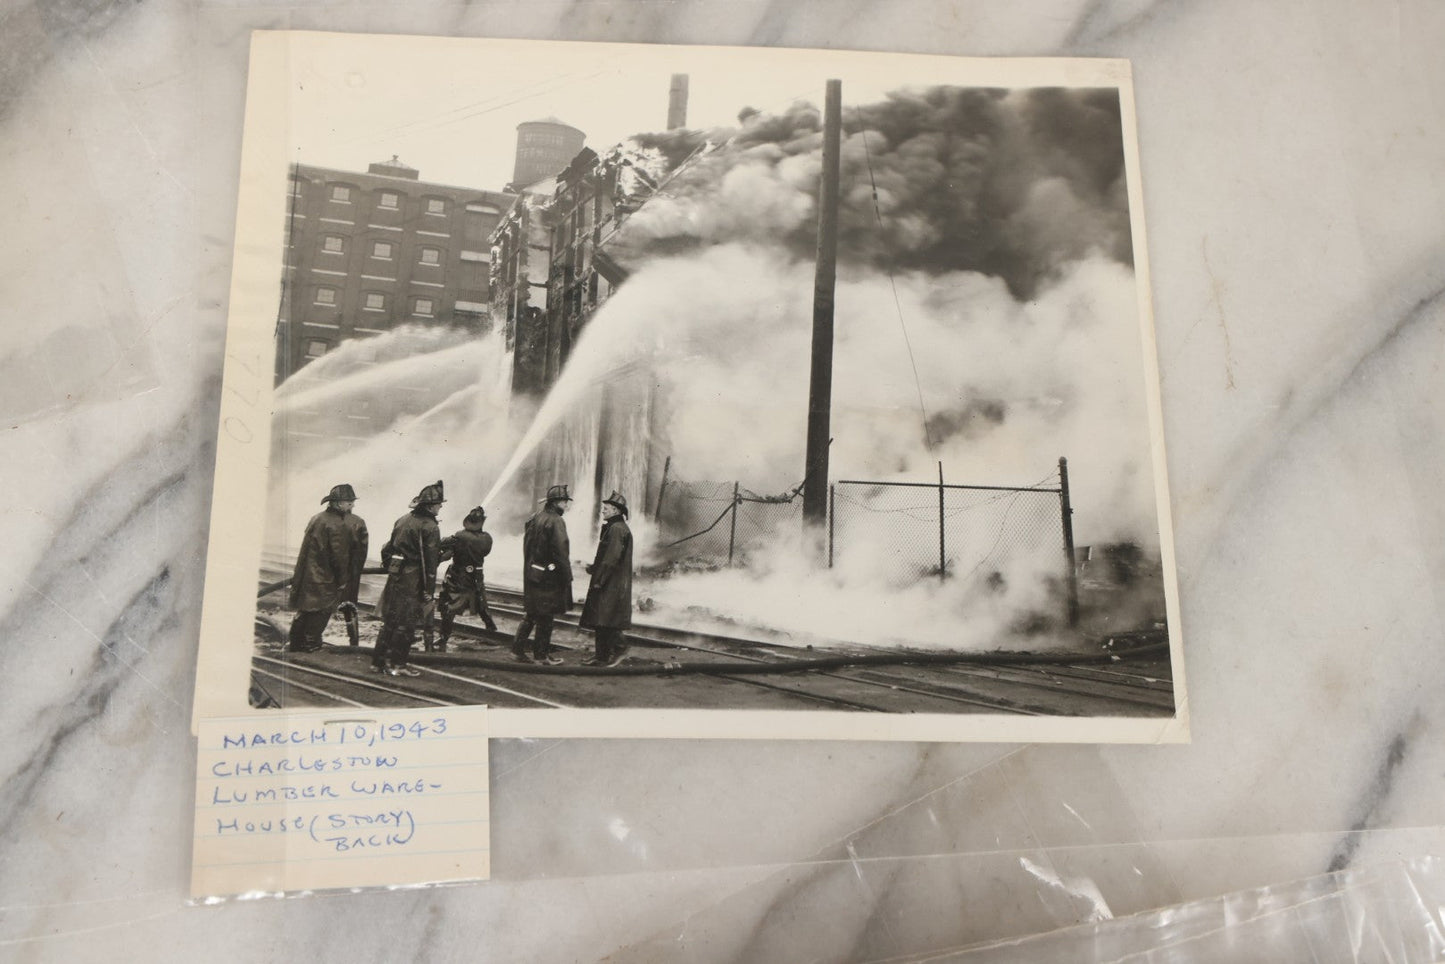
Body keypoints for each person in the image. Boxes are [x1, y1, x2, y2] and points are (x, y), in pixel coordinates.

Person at [372, 480, 444, 677]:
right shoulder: (430, 527)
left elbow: (387, 549)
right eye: (438, 504)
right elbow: (429, 563)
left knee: (390, 621)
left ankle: (378, 662)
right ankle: (397, 665)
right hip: (413, 580)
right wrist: (429, 590)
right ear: (430, 507)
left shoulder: (402, 519)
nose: (440, 507)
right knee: (406, 624)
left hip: (396, 577)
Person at [286, 484, 368, 653]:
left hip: (308, 574)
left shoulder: (317, 518)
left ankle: (295, 645)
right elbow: (339, 556)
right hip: (326, 577)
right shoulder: (343, 523)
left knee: (305, 610)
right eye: (349, 502)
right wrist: (344, 581)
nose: (352, 505)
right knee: (321, 611)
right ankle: (311, 647)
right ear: (338, 504)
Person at [511, 483, 573, 665]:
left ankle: (517, 650)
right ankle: (541, 656)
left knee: (532, 613)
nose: (566, 506)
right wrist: (567, 576)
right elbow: (561, 552)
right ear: (556, 503)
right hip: (548, 577)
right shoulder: (556, 521)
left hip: (533, 573)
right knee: (546, 617)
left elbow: (528, 546)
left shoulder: (535, 517)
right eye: (564, 502)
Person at [431, 505, 498, 652]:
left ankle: (443, 638)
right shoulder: (487, 538)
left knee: (450, 607)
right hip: (476, 576)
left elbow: (443, 544)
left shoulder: (460, 536)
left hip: (458, 576)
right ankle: (490, 625)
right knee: (480, 600)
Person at [580, 490, 634, 667]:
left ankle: (620, 649)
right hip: (609, 581)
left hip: (611, 583)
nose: (603, 511)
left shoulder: (617, 529)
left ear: (616, 511)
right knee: (602, 619)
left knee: (607, 619)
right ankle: (601, 656)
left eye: (606, 508)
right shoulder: (614, 527)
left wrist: (599, 580)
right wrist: (593, 568)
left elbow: (611, 559)